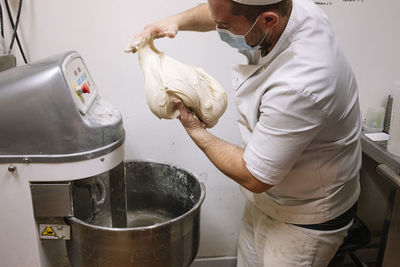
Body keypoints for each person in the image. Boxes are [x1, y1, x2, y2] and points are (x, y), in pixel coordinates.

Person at [127, 0, 362, 266]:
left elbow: (255, 175)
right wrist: (176, 21)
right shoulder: (286, 9)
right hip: (271, 198)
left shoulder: (301, 83)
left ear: (268, 20)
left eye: (224, 26)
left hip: (306, 215)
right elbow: (220, 11)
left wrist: (194, 129)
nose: (219, 30)